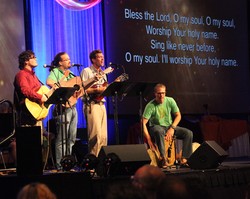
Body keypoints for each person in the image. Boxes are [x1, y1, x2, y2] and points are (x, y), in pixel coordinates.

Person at [142, 83, 193, 168]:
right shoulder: (150, 105)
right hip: (155, 127)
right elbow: (143, 123)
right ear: (155, 94)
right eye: (159, 93)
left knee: (188, 133)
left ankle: (184, 159)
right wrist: (149, 140)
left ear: (165, 93)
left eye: (163, 93)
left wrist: (172, 128)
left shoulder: (170, 100)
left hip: (169, 126)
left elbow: (178, 115)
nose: (161, 95)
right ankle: (163, 159)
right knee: (159, 131)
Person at [46, 52, 82, 170]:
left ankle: (68, 163)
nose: (69, 61)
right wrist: (63, 77)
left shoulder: (71, 73)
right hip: (61, 108)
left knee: (71, 138)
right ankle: (60, 165)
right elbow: (50, 84)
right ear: (60, 62)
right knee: (62, 138)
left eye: (69, 59)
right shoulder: (55, 72)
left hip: (73, 107)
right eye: (66, 60)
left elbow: (78, 89)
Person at [14, 50, 48, 140]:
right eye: (33, 57)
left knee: (39, 143)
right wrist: (40, 97)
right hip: (27, 114)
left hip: (36, 113)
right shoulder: (21, 75)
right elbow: (25, 90)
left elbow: (38, 91)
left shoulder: (34, 75)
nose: (36, 59)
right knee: (30, 143)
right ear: (26, 61)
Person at [80, 49, 108, 157]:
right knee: (95, 136)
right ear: (93, 59)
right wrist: (96, 90)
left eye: (102, 56)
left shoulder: (103, 73)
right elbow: (82, 90)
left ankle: (101, 163)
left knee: (103, 137)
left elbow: (104, 89)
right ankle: (93, 163)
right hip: (91, 104)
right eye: (99, 57)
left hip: (101, 104)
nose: (102, 59)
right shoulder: (87, 71)